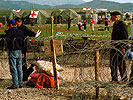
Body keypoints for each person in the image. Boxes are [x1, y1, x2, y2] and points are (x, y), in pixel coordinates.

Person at [15, 17, 40, 81]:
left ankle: (24, 76)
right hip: (18, 46)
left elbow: (30, 32)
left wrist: (35, 34)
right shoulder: (17, 28)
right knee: (19, 63)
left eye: (17, 23)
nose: (16, 24)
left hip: (23, 46)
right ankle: (22, 76)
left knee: (23, 63)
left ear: (20, 22)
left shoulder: (23, 28)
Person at [5, 19, 24, 89]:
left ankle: (15, 84)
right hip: (20, 51)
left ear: (10, 25)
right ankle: (20, 83)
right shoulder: (21, 32)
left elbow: (7, 40)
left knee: (13, 68)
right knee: (19, 67)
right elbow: (23, 42)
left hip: (13, 51)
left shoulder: (10, 31)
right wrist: (23, 52)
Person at [110, 11, 128, 83]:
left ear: (116, 16)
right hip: (114, 46)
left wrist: (123, 47)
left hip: (120, 47)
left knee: (121, 64)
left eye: (112, 16)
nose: (111, 17)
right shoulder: (115, 24)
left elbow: (125, 36)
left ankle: (124, 79)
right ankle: (114, 79)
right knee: (112, 63)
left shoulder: (122, 24)